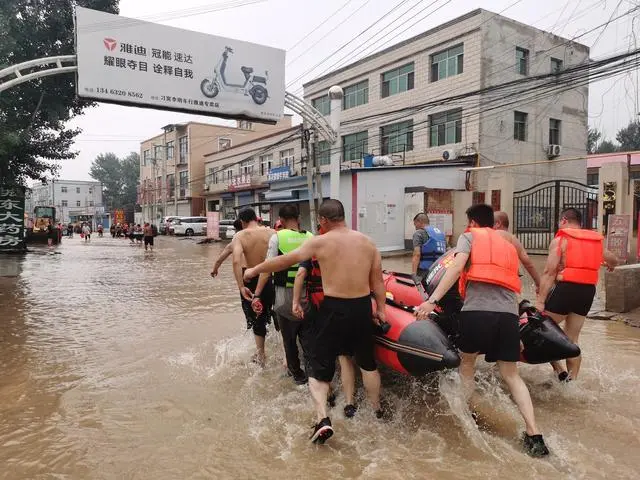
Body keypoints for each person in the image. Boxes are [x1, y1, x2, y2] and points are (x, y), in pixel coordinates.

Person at [244, 199, 386, 445]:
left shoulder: (320, 242)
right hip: (362, 308)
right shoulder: (368, 243)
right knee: (367, 364)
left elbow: (284, 262)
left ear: (322, 220)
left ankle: (322, 419)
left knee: (318, 368)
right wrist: (381, 310)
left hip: (333, 308)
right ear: (343, 216)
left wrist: (254, 270)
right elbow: (378, 282)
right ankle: (376, 413)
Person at [414, 203, 549, 457]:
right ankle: (534, 434)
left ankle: (468, 415)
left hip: (476, 312)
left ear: (473, 223)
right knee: (511, 374)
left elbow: (456, 267)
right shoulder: (509, 247)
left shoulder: (469, 238)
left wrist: (431, 301)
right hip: (508, 316)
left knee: (467, 363)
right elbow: (514, 282)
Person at [536, 207, 619, 382]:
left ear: (564, 221)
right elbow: (613, 260)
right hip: (587, 292)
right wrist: (608, 264)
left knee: (542, 331)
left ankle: (558, 370)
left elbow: (549, 272)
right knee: (571, 339)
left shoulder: (561, 239)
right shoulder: (594, 241)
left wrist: (540, 301)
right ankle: (572, 382)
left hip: (566, 289)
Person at [292, 225, 359, 418]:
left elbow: (301, 274)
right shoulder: (347, 250)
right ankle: (349, 403)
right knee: (345, 356)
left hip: (319, 307)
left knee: (322, 353)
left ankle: (328, 394)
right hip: (344, 305)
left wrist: (296, 301)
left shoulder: (314, 247)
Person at [252, 204, 313, 386]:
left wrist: (257, 295)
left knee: (289, 340)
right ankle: (315, 375)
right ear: (299, 218)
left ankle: (298, 376)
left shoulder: (277, 237)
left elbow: (268, 269)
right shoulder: (311, 237)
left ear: (282, 221)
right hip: (307, 297)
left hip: (284, 297)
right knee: (308, 340)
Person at [232, 208, 275, 366]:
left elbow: (236, 261)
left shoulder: (240, 235)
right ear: (256, 219)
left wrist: (241, 286)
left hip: (250, 280)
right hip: (269, 278)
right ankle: (283, 353)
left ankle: (261, 355)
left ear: (242, 222)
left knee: (256, 318)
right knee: (271, 314)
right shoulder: (272, 232)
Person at [493, 211, 541, 293]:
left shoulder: (485, 236)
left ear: (498, 223)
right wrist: (538, 283)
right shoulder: (511, 238)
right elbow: (527, 263)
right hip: (506, 281)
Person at [411, 213, 447, 284]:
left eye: (415, 224)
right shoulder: (441, 234)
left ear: (419, 221)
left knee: (422, 292)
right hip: (439, 271)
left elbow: (417, 254)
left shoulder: (419, 233)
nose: (415, 227)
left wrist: (413, 274)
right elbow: (447, 251)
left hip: (424, 271)